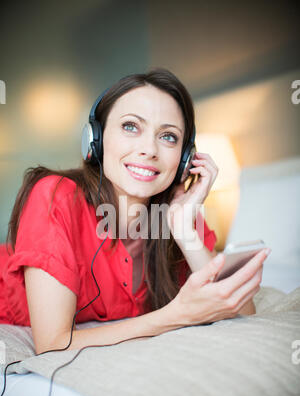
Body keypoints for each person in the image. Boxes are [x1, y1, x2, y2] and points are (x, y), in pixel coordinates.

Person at [0, 68, 270, 354]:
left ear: (184, 159)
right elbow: (52, 344)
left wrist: (184, 230)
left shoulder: (179, 211)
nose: (149, 149)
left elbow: (242, 313)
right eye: (131, 126)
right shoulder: (54, 195)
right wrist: (176, 315)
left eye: (168, 136)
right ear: (97, 140)